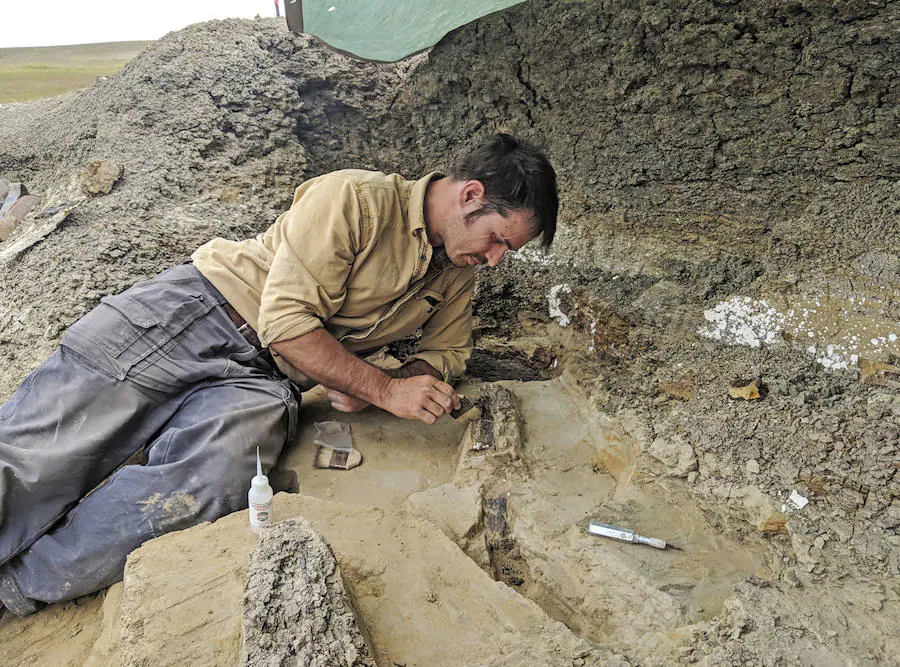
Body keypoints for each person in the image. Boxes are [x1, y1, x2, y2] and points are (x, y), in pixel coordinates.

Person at [0, 133, 557, 616]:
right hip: (194, 314)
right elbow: (287, 323)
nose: (494, 261)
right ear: (471, 197)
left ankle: (15, 589)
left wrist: (405, 376)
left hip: (263, 381)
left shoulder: (455, 271)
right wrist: (379, 386)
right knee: (39, 457)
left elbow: (450, 351)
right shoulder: (358, 199)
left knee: (215, 483)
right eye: (498, 242)